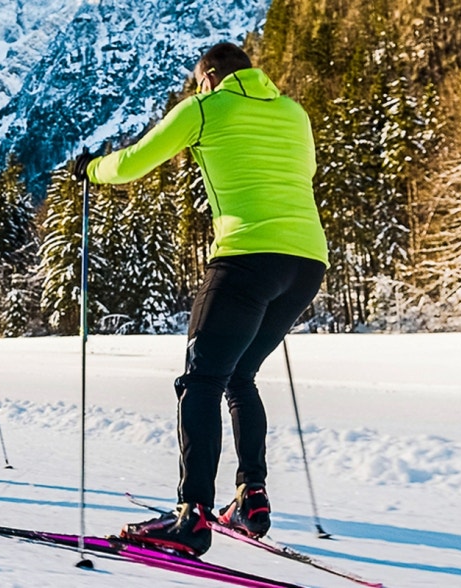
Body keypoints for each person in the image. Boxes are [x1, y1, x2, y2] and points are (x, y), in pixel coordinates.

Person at [73, 42, 328, 556]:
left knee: (200, 381)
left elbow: (131, 165)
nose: (195, 90)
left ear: (208, 77)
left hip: (244, 260)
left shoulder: (205, 107)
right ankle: (251, 498)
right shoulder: (294, 112)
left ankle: (192, 515)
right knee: (239, 377)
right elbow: (302, 175)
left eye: (196, 83)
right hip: (306, 264)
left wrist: (90, 170)